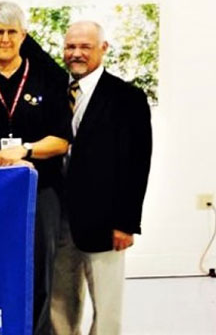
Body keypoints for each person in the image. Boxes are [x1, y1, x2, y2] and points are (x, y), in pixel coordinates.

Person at [0, 2, 72, 335]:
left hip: (40, 191)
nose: (5, 39)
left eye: (12, 32)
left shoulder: (49, 78)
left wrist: (25, 150)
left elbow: (61, 140)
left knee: (38, 272)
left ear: (24, 35)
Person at [50, 21, 152, 335]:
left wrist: (127, 223)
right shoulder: (54, 92)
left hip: (105, 221)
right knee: (60, 303)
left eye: (85, 47)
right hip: (58, 217)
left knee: (107, 308)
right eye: (71, 47)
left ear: (103, 48)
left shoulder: (127, 98)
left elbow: (137, 164)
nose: (76, 53)